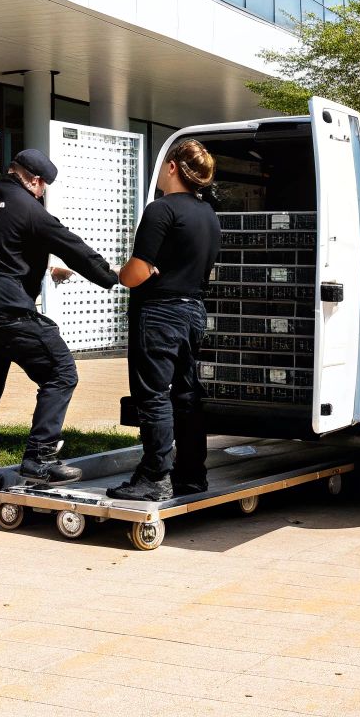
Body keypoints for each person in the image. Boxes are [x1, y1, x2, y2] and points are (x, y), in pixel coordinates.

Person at [0, 148, 120, 518]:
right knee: (61, 372)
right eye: (43, 188)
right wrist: (113, 277)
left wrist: (44, 270)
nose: (42, 194)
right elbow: (74, 249)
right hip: (7, 313)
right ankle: (39, 458)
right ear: (36, 181)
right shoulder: (30, 210)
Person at [108, 139, 222, 502]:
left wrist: (123, 273)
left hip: (159, 313)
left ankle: (155, 476)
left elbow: (136, 273)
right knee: (187, 396)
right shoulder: (208, 216)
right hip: (193, 311)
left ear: (172, 167)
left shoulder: (161, 210)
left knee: (153, 396)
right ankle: (192, 474)